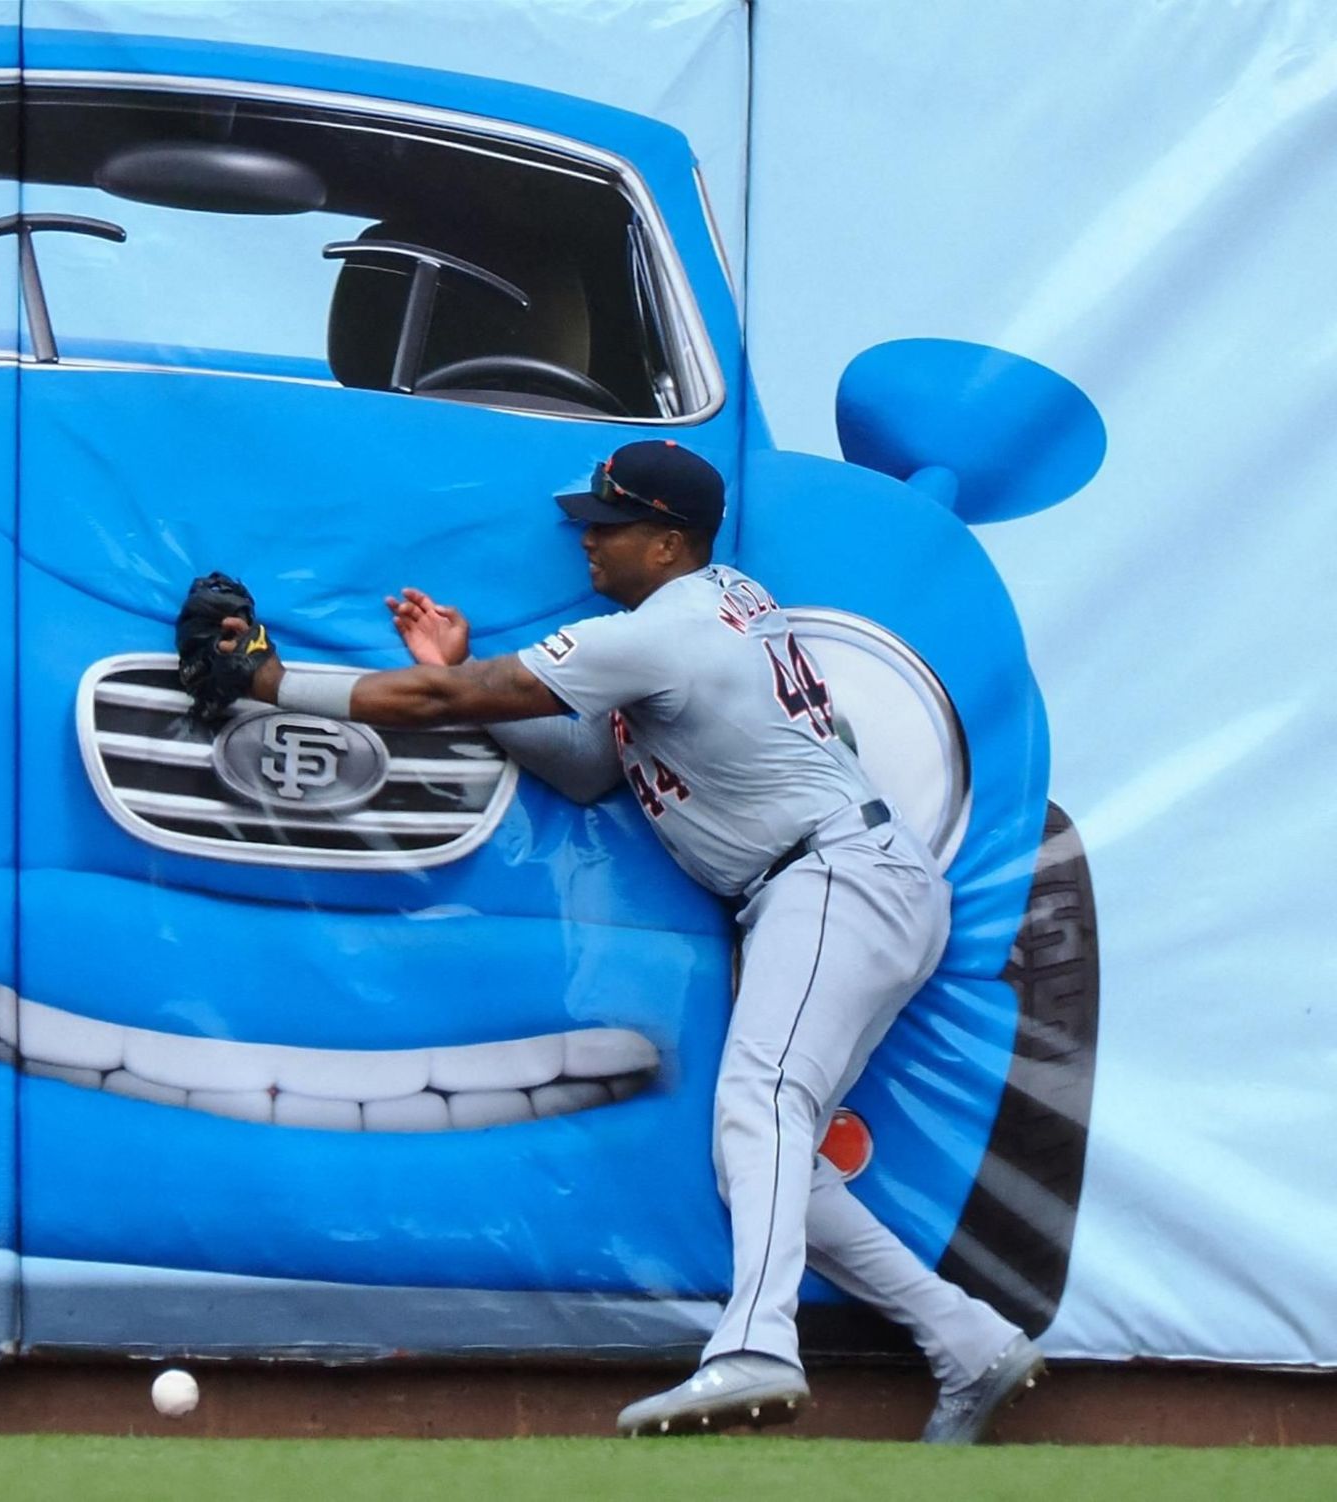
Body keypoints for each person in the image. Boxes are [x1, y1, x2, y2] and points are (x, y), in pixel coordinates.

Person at [220, 439, 1042, 1444]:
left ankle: (752, 1345)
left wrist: (266, 683)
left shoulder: (664, 630)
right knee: (778, 1156)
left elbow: (445, 703)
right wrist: (460, 674)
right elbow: (583, 771)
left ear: (666, 541)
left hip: (829, 880)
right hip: (852, 880)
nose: (586, 541)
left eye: (606, 526)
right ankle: (963, 1336)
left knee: (761, 1105)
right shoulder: (717, 603)